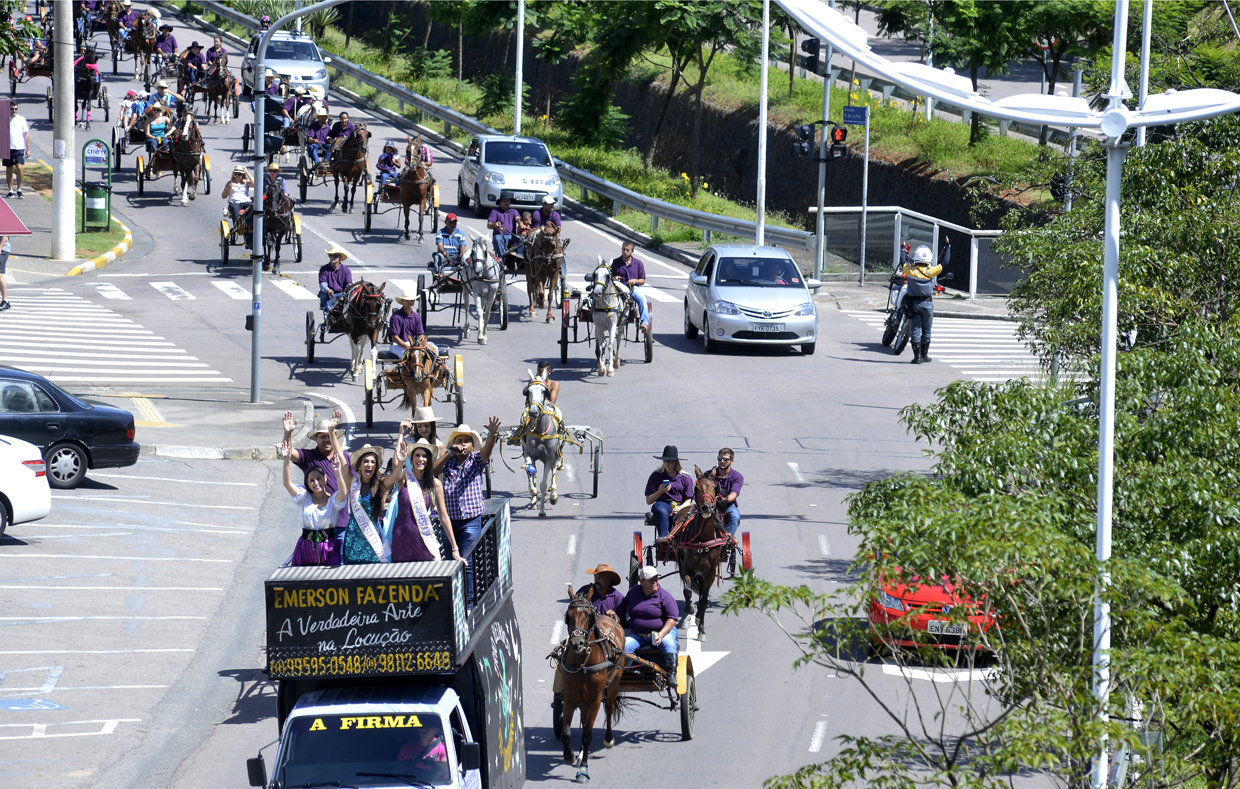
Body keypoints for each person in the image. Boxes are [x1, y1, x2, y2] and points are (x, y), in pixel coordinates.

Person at [439, 418, 502, 602]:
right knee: (450, 563)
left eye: (466, 441)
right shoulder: (448, 461)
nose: (462, 445)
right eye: (459, 441)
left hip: (470, 520)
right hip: (449, 521)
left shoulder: (476, 459)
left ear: (472, 446)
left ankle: (467, 601)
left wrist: (492, 434)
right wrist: (450, 454)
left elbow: (487, 451)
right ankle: (452, 599)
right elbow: (433, 470)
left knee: (466, 562)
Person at [328, 425, 398, 565]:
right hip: (353, 539)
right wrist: (331, 432)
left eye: (373, 462)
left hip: (373, 540)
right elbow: (341, 456)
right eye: (365, 461)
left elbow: (396, 474)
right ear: (359, 465)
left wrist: (400, 458)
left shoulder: (380, 485)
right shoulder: (352, 483)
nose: (369, 465)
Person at [387, 434, 461, 563]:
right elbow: (394, 469)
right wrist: (400, 438)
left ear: (429, 459)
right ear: (412, 458)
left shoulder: (435, 484)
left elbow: (444, 517)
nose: (420, 459)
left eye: (424, 456)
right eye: (417, 455)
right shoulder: (404, 477)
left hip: (423, 540)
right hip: (401, 538)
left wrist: (455, 548)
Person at [282, 410, 352, 533]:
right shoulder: (308, 456)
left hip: (342, 525)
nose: (327, 440)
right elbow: (288, 452)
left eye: (329, 436)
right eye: (323, 436)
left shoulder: (344, 457)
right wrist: (288, 433)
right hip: (319, 526)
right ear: (316, 438)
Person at [281, 440, 347, 566]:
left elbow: (343, 493)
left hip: (329, 549)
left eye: (318, 479)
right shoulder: (304, 497)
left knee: (330, 583)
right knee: (302, 583)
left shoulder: (333, 500)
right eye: (311, 480)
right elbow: (287, 483)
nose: (316, 483)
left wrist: (338, 473)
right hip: (305, 548)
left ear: (325, 478)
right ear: (308, 483)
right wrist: (286, 460)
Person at [615, 565, 679, 676]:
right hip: (638, 635)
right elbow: (621, 610)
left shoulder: (665, 596)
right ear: (642, 581)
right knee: (624, 647)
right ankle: (628, 672)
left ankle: (671, 674)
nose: (655, 582)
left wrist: (661, 634)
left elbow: (672, 619)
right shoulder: (633, 593)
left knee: (669, 644)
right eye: (651, 580)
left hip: (661, 633)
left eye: (656, 579)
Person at [902, 237, 950, 365]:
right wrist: (948, 246)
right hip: (927, 304)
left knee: (915, 329)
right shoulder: (931, 272)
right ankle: (924, 355)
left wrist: (904, 249)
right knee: (927, 329)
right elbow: (945, 262)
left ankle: (917, 357)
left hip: (914, 304)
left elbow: (902, 261)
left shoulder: (910, 271)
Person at [645, 445, 693, 539]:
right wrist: (659, 492)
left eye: (670, 461)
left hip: (679, 505)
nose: (667, 463)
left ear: (676, 462)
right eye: (665, 461)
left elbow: (689, 500)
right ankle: (663, 537)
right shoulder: (656, 476)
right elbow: (648, 500)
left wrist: (681, 508)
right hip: (661, 504)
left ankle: (678, 539)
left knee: (680, 516)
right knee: (662, 511)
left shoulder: (685, 478)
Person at [708, 447, 743, 572]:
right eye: (720, 459)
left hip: (727, 505)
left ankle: (727, 540)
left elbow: (734, 494)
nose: (722, 462)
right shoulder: (709, 474)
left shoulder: (737, 476)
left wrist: (723, 500)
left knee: (734, 515)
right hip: (710, 505)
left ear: (731, 461)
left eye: (725, 459)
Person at [611, 242, 650, 333]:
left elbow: (642, 280)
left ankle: (644, 323)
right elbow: (608, 278)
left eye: (627, 250)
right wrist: (614, 278)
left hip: (632, 289)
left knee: (642, 298)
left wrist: (635, 281)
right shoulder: (615, 263)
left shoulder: (638, 263)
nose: (625, 252)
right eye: (623, 249)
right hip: (618, 290)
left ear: (632, 251)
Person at [389, 291, 434, 358]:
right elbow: (395, 338)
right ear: (402, 302)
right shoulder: (396, 317)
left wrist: (421, 344)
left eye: (412, 300)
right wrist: (409, 347)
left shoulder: (417, 317)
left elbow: (420, 334)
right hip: (398, 346)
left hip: (414, 344)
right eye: (407, 300)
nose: (410, 302)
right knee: (408, 356)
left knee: (434, 349)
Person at [5, 103, 30, 199]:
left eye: (16, 109)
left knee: (19, 167)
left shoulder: (21, 119)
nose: (14, 111)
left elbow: (26, 134)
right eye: (12, 109)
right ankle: (10, 190)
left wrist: (28, 148)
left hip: (19, 147)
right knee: (9, 169)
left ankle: (19, 189)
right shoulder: (5, 119)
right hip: (8, 148)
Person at [318, 244, 352, 314]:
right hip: (329, 294)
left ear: (339, 258)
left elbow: (349, 284)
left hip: (341, 293)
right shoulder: (324, 269)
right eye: (331, 255)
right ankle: (327, 316)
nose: (332, 257)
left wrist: (346, 292)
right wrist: (328, 290)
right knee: (324, 296)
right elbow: (323, 284)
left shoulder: (346, 270)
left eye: (335, 256)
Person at [486, 196, 520, 260]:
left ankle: (519, 257)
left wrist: (520, 223)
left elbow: (517, 218)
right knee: (497, 239)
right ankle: (502, 260)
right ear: (500, 202)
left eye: (508, 201)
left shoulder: (513, 211)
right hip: (500, 236)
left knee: (523, 239)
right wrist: (495, 225)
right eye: (504, 201)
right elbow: (489, 225)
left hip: (512, 236)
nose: (506, 202)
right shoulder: (495, 211)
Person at [221, 165, 253, 229]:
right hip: (235, 202)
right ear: (233, 175)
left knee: (253, 209)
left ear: (243, 175)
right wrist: (228, 188)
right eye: (236, 174)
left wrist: (247, 172)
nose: (237, 175)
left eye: (240, 174)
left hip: (246, 201)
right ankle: (237, 226)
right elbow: (223, 196)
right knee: (235, 210)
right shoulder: (230, 183)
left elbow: (254, 183)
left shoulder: (246, 182)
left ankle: (251, 224)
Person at [0, 234, 10, 311]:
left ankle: (5, 300)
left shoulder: (3, 222)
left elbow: (5, 234)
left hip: (3, 250)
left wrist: (0, 248)